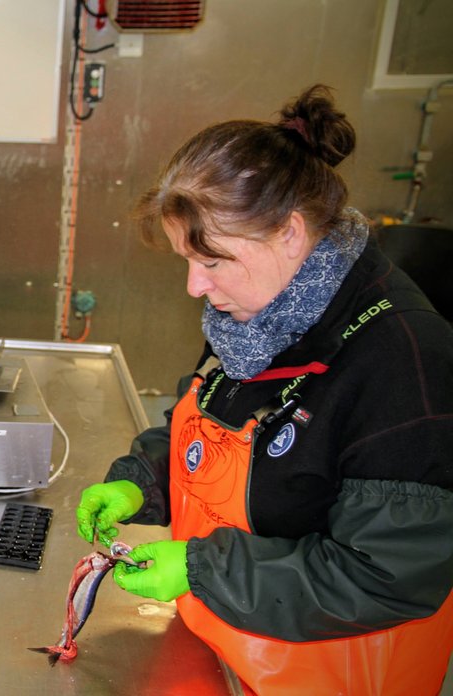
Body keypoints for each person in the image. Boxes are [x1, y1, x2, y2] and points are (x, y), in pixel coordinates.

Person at [75, 85, 453, 694]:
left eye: (214, 261)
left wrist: (201, 570)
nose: (196, 286)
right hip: (222, 652)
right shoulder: (256, 313)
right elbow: (206, 422)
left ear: (290, 233)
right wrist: (139, 480)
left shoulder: (403, 362)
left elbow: (385, 575)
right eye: (186, 262)